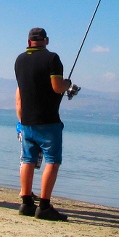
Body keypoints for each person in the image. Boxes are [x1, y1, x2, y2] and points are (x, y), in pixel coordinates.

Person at [14, 27, 73, 221]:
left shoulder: (19, 60)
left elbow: (21, 91)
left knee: (28, 160)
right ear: (46, 41)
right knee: (52, 161)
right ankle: (45, 206)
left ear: (29, 41)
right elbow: (57, 87)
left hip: (27, 121)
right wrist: (67, 84)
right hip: (48, 121)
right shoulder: (52, 58)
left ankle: (26, 202)